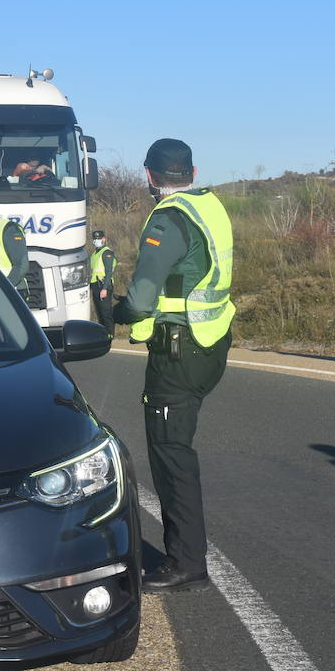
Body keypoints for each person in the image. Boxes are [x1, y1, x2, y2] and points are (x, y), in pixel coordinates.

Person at [111, 138, 234, 594]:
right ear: (193, 173)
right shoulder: (210, 206)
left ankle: (185, 563)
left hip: (179, 349)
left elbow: (143, 299)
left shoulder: (167, 218)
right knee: (177, 449)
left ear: (149, 176)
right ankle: (186, 556)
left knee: (171, 454)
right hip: (211, 341)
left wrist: (118, 313)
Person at [89, 229, 117, 334]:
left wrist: (104, 288)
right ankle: (102, 334)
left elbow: (109, 272)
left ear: (104, 239)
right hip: (96, 285)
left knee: (106, 313)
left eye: (99, 238)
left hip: (104, 285)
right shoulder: (94, 254)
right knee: (99, 313)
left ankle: (110, 334)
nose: (96, 240)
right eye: (95, 239)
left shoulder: (107, 253)